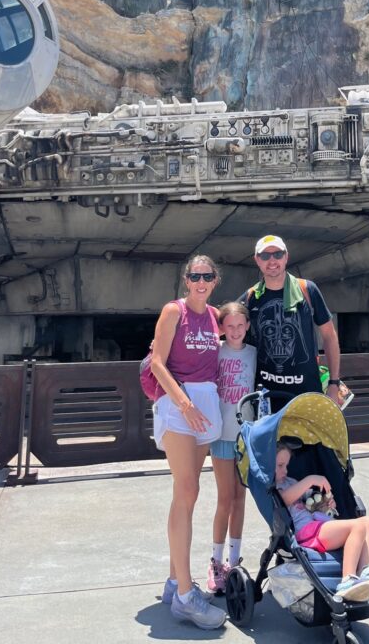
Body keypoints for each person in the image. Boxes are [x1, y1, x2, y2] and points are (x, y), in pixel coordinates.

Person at [151, 255, 226, 630]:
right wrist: (184, 404)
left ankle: (171, 581)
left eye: (206, 276)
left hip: (206, 405)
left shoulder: (214, 316)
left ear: (215, 281)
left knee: (187, 495)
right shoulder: (173, 310)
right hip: (179, 404)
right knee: (188, 488)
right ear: (186, 279)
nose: (200, 281)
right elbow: (157, 362)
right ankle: (184, 595)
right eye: (195, 275)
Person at [275, 442, 369, 602]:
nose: (285, 471)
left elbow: (312, 503)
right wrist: (310, 480)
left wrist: (326, 504)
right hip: (306, 533)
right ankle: (347, 581)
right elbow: (285, 499)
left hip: (317, 525)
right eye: (280, 465)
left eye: (286, 465)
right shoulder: (275, 487)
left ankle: (365, 571)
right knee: (357, 526)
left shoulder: (291, 481)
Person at [241, 234, 342, 408]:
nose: (272, 260)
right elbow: (223, 324)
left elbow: (329, 336)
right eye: (265, 256)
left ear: (286, 256)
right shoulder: (251, 297)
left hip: (307, 393)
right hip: (266, 397)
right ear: (257, 260)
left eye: (277, 254)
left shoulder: (307, 290)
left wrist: (334, 383)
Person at [207, 301, 257, 593]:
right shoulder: (215, 352)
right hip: (222, 434)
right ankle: (215, 561)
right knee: (224, 498)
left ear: (248, 326)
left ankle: (234, 559)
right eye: (230, 326)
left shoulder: (254, 354)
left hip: (245, 435)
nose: (236, 331)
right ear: (221, 328)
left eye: (241, 325)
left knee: (240, 499)